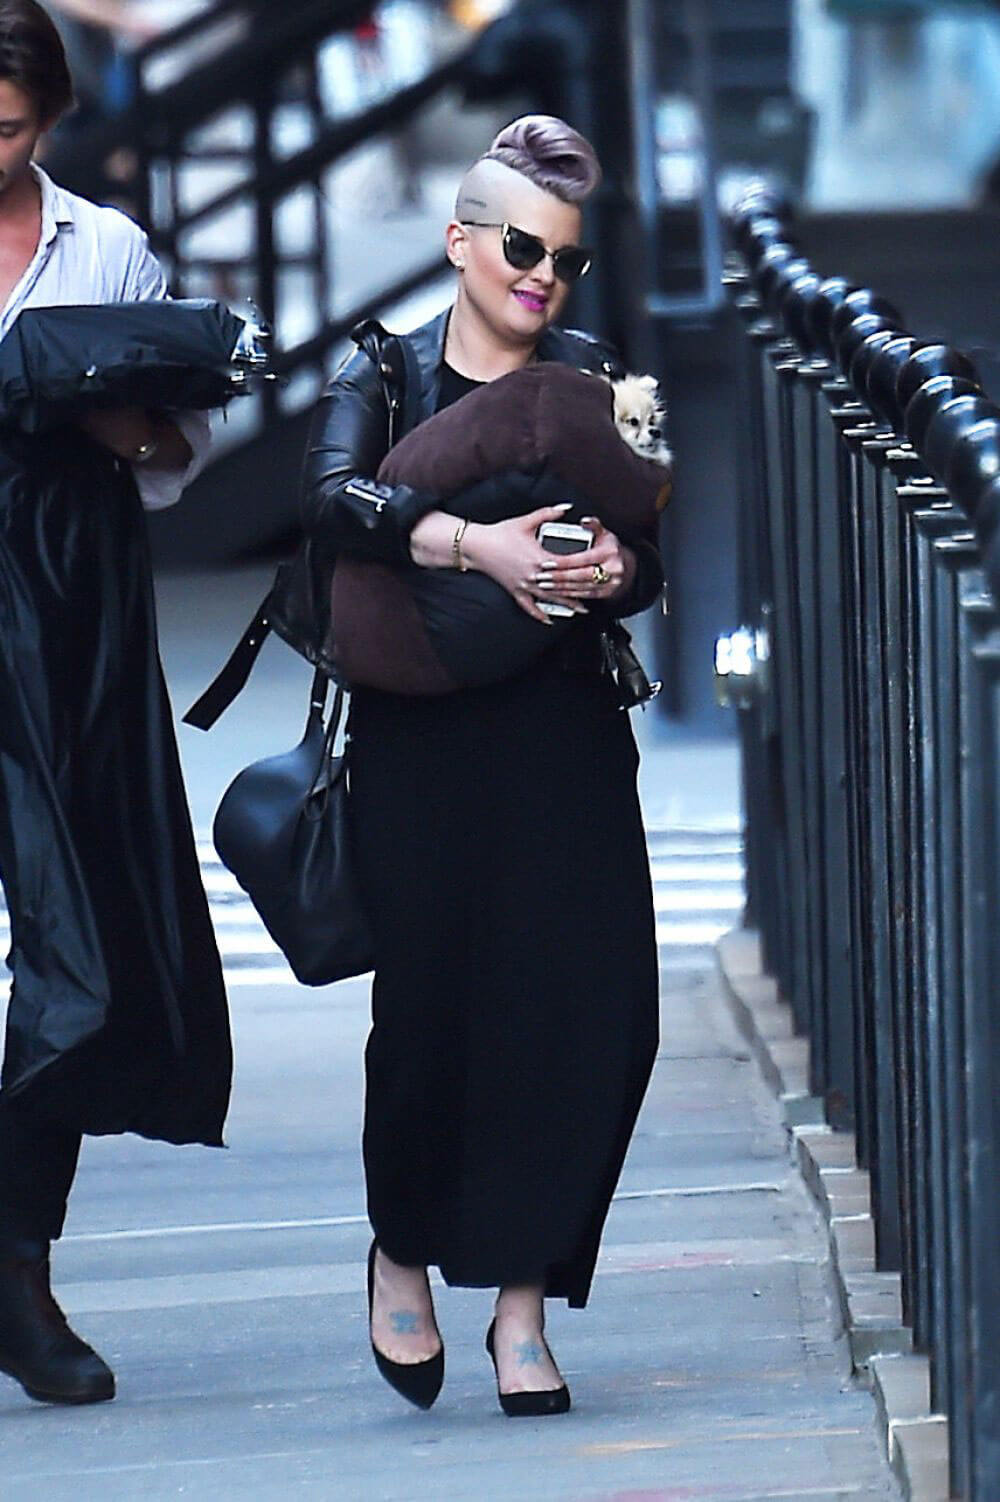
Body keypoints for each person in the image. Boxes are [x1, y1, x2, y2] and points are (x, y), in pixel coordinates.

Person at [301, 114, 662, 1415]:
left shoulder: (606, 372)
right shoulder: (383, 373)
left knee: (589, 1016)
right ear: (460, 240)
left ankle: (523, 1305)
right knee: (432, 1026)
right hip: (422, 741)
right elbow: (331, 500)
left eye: (563, 258)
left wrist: (617, 571)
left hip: (562, 731)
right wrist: (473, 545)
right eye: (519, 247)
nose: (541, 278)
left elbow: (654, 530)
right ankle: (401, 1245)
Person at [0, 0, 231, 1407]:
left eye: (11, 125)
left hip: (68, 594)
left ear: (52, 116)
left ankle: (21, 1267)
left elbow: (178, 444)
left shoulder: (110, 248)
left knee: (78, 949)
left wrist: (109, 415)